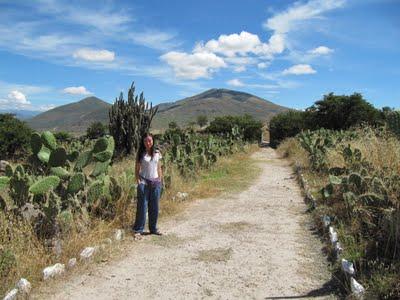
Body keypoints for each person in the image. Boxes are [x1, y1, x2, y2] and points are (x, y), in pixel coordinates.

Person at [132, 133, 163, 238]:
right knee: (142, 207)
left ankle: (153, 229)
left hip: (155, 183)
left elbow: (159, 168)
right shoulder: (141, 154)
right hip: (144, 183)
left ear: (152, 141)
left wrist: (160, 180)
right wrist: (138, 182)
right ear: (143, 142)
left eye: (149, 140)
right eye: (145, 141)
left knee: (155, 207)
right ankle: (138, 229)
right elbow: (136, 170)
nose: (148, 143)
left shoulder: (157, 153)